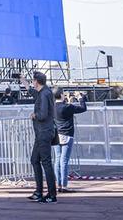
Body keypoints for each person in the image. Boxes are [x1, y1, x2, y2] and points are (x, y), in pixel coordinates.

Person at [29, 71, 57, 202]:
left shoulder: (44, 94)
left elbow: (43, 114)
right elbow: (32, 92)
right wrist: (23, 80)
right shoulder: (44, 92)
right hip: (42, 132)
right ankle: (39, 191)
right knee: (35, 160)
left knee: (45, 162)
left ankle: (51, 194)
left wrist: (35, 115)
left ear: (36, 81)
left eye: (33, 80)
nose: (32, 83)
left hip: (43, 132)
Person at [53, 88, 88, 193]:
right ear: (61, 95)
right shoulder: (67, 107)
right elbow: (83, 108)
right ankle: (64, 186)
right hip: (67, 135)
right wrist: (80, 97)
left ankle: (58, 184)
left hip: (56, 135)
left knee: (57, 160)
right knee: (64, 161)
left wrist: (67, 100)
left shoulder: (52, 107)